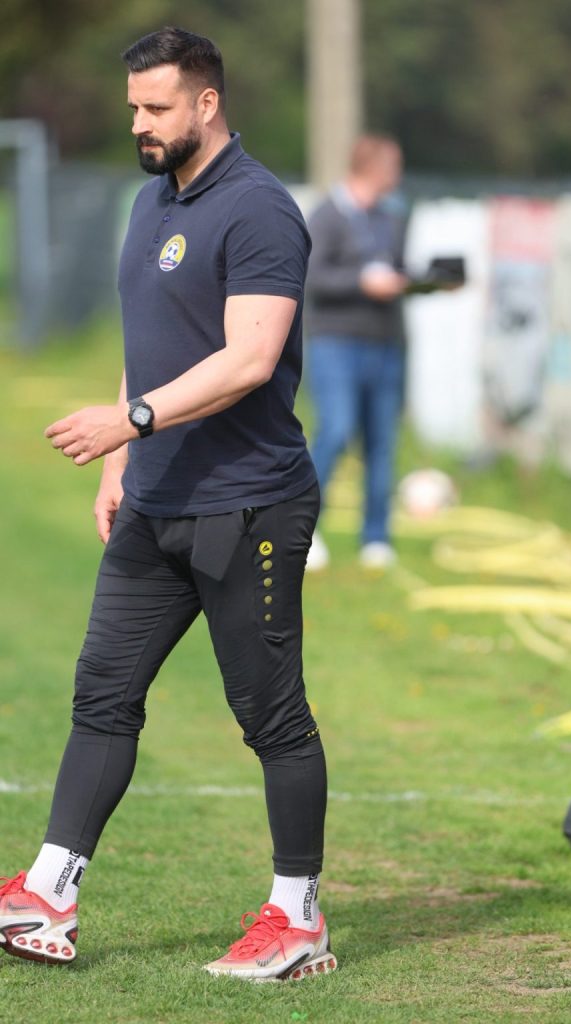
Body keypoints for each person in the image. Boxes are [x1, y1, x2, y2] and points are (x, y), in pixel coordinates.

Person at [0, 27, 337, 983]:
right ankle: (48, 895)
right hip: (153, 502)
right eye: (133, 109)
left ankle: (298, 919)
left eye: (156, 108)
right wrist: (121, 459)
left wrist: (130, 420)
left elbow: (250, 358)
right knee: (102, 694)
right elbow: (151, 335)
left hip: (249, 507)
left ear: (207, 103)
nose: (140, 125)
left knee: (270, 716)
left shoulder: (259, 209)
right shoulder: (151, 200)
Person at [305, 134, 409, 571]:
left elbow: (396, 270)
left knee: (381, 441)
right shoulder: (326, 215)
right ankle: (304, 529)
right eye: (394, 165)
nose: (399, 174)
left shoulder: (392, 217)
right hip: (334, 342)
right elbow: (312, 278)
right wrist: (362, 282)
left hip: (385, 343)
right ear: (373, 167)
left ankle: (376, 537)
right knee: (336, 429)